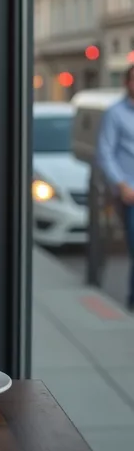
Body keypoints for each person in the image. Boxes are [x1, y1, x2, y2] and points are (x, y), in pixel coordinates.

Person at [97, 65, 134, 311]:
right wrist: (122, 185)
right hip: (131, 193)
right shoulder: (115, 113)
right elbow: (105, 152)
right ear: (127, 83)